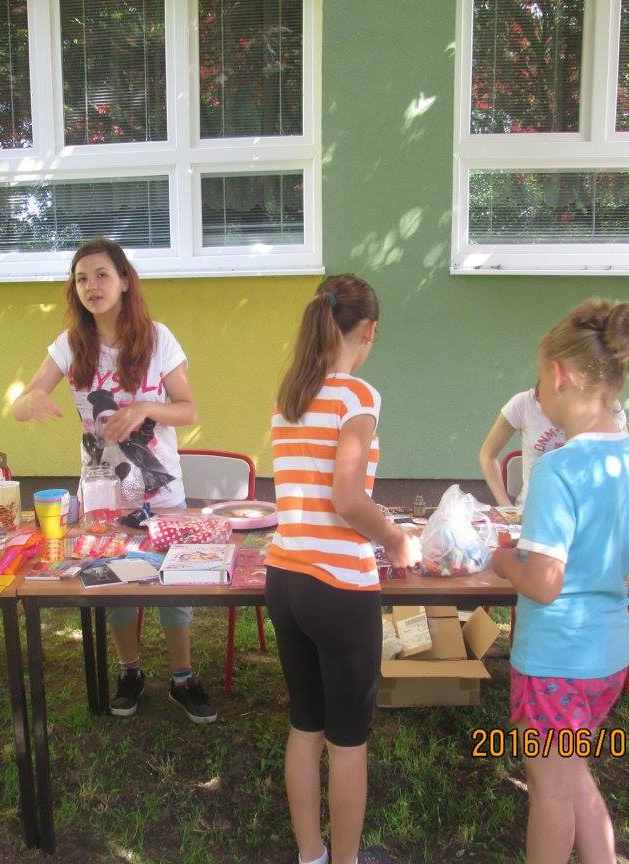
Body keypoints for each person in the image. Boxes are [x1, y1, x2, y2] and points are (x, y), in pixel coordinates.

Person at [11, 237, 215, 723]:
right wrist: (29, 401)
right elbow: (21, 402)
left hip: (161, 491)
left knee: (172, 588)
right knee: (116, 585)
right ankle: (129, 672)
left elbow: (188, 409)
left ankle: (182, 677)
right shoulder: (69, 344)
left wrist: (145, 407)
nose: (91, 286)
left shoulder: (158, 338)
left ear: (124, 281)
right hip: (103, 494)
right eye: (81, 278)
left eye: (102, 274)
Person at [490, 299, 629, 864]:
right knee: (573, 775)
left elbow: (543, 583)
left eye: (540, 380)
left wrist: (504, 560)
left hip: (556, 660)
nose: (539, 393)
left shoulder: (557, 468)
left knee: (551, 794)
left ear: (559, 374)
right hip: (607, 658)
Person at [265, 275, 421, 864]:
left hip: (285, 579)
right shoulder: (357, 396)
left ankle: (312, 856)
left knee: (305, 725)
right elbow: (348, 499)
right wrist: (397, 539)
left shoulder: (291, 395)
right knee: (348, 739)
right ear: (369, 330)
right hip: (338, 588)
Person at [479, 385, 627, 506]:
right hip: (534, 513)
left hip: (586, 514)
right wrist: (506, 508)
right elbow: (487, 455)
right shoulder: (523, 404)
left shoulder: (607, 405)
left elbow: (624, 460)